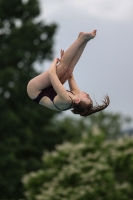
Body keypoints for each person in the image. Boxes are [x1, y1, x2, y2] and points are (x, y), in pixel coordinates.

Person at [27, 30, 110, 117]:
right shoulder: (76, 95)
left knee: (62, 68)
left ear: (78, 101)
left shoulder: (65, 100)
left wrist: (55, 62)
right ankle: (85, 40)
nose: (88, 94)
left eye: (87, 97)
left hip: (35, 90)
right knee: (69, 70)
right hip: (49, 89)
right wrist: (66, 58)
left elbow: (52, 73)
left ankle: (81, 38)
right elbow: (70, 74)